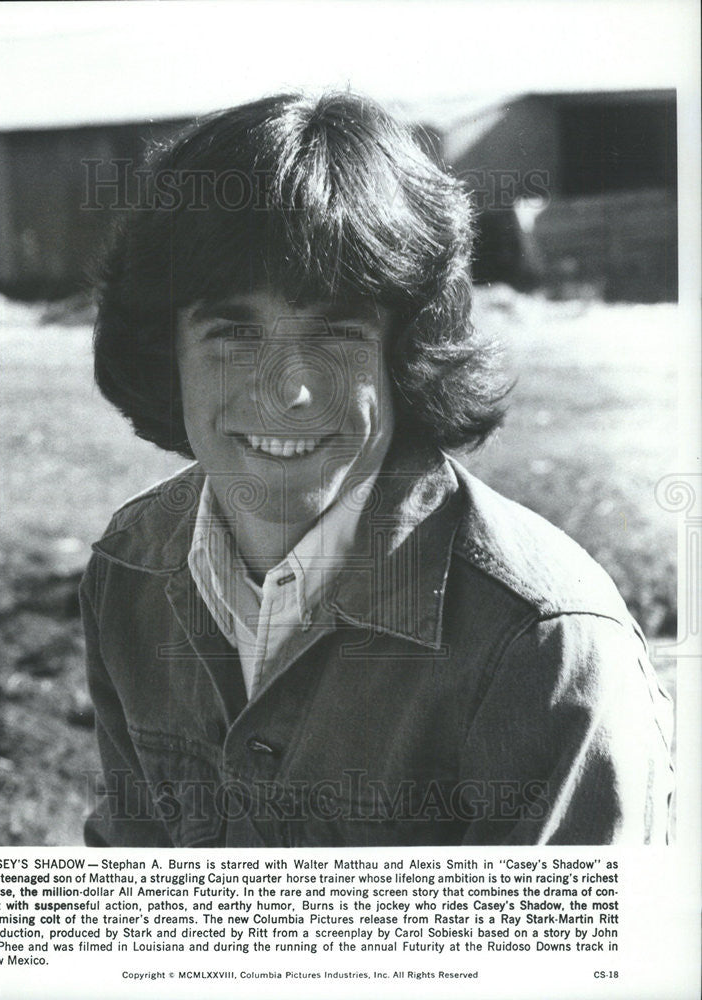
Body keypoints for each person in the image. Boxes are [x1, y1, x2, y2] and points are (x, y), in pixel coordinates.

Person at [82, 92, 673, 847]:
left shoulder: (540, 644)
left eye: (334, 331)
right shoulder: (126, 567)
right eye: (232, 331)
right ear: (167, 354)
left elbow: (577, 960)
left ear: (405, 355)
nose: (287, 391)